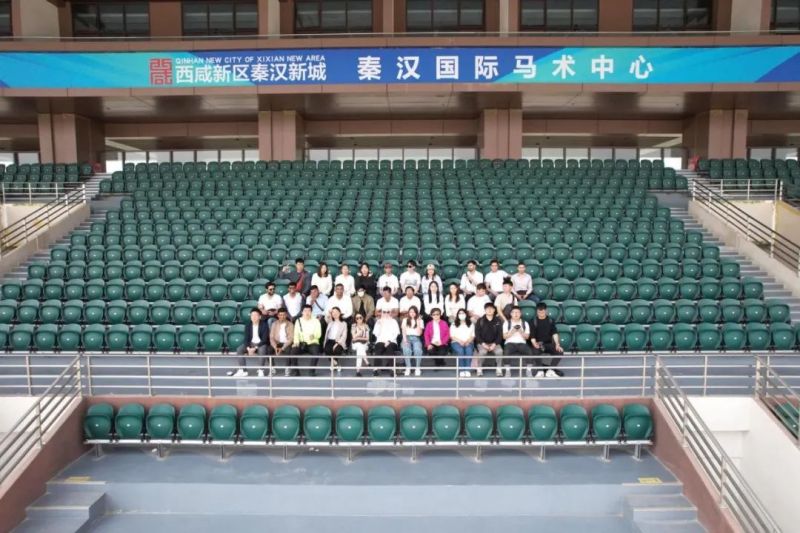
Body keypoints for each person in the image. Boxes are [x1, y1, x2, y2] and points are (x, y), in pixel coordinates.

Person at [228, 308, 270, 377]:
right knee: (239, 349)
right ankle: (243, 370)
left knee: (263, 349)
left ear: (260, 317)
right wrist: (248, 348)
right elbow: (246, 338)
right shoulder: (248, 325)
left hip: (260, 344)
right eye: (252, 315)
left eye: (256, 315)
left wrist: (255, 348)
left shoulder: (264, 325)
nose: (254, 317)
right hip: (251, 343)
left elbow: (264, 339)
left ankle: (261, 370)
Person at [530, 302, 565, 378]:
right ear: (537, 311)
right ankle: (540, 371)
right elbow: (532, 336)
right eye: (539, 312)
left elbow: (554, 333)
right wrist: (534, 344)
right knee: (534, 351)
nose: (541, 314)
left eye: (542, 312)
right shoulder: (533, 321)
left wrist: (557, 344)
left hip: (548, 344)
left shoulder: (550, 320)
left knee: (559, 351)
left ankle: (550, 370)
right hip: (538, 344)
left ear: (546, 311)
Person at [291, 305, 322, 376]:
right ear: (302, 312)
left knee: (316, 353)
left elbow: (319, 333)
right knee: (293, 352)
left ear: (311, 312)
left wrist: (314, 336)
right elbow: (296, 333)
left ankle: (311, 371)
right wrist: (296, 342)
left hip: (313, 342)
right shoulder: (298, 321)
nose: (307, 312)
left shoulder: (316, 321)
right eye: (305, 311)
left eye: (309, 311)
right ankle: (296, 371)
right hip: (301, 343)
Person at [474, 302, 504, 377]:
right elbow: (477, 334)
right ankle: (479, 368)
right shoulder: (480, 320)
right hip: (482, 343)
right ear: (485, 310)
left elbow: (500, 334)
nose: (490, 310)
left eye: (491, 308)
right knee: (482, 352)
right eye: (488, 309)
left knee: (499, 351)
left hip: (495, 343)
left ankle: (499, 368)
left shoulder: (498, 320)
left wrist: (494, 344)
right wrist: (483, 344)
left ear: (494, 310)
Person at [503, 306, 532, 377]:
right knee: (506, 352)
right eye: (514, 312)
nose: (516, 314)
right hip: (510, 343)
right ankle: (507, 371)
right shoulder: (507, 323)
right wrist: (512, 331)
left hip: (521, 343)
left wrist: (521, 331)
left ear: (520, 314)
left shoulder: (525, 323)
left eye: (518, 312)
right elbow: (504, 337)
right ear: (511, 314)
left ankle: (529, 370)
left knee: (529, 352)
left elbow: (527, 337)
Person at [372, 310, 400, 376]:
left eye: (388, 312)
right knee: (378, 349)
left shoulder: (394, 321)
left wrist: (389, 341)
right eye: (384, 312)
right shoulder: (378, 322)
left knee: (390, 349)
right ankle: (375, 369)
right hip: (380, 340)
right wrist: (380, 325)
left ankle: (393, 370)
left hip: (392, 341)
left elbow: (396, 334)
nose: (386, 314)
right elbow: (376, 334)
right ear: (382, 313)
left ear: (390, 313)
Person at [269, 308, 295, 377]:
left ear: (286, 315)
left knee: (289, 350)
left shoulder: (290, 324)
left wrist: (282, 348)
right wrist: (275, 347)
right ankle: (272, 367)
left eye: (284, 315)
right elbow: (271, 337)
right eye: (280, 315)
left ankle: (287, 368)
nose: (282, 316)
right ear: (278, 315)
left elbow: (291, 338)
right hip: (277, 343)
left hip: (286, 343)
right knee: (268, 350)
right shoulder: (274, 324)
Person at [450, 311, 475, 377]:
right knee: (460, 351)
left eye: (463, 313)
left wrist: (468, 341)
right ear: (457, 315)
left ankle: (467, 370)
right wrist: (460, 341)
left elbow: (473, 335)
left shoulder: (471, 324)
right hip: (456, 342)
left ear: (466, 314)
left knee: (469, 350)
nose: (461, 315)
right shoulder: (453, 324)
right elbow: (452, 336)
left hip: (468, 341)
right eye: (460, 313)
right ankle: (461, 370)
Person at [400, 306, 424, 376]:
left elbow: (419, 333)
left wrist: (418, 322)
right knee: (406, 349)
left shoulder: (420, 321)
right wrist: (405, 340)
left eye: (414, 312)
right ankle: (408, 367)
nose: (412, 313)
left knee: (418, 350)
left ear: (416, 313)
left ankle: (417, 368)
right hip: (406, 337)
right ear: (408, 313)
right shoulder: (405, 320)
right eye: (410, 312)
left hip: (416, 338)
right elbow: (403, 331)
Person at [322, 307, 347, 372]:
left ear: (340, 313)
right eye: (333, 312)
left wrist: (337, 343)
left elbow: (344, 335)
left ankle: (332, 365)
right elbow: (326, 318)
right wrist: (329, 313)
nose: (335, 313)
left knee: (337, 350)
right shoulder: (330, 322)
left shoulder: (343, 323)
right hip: (330, 340)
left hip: (338, 341)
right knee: (327, 350)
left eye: (336, 312)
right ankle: (336, 364)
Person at [351, 312, 371, 377]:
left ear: (363, 318)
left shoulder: (366, 326)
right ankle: (367, 361)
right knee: (359, 346)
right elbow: (353, 337)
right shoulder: (354, 326)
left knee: (359, 351)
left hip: (364, 344)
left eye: (360, 317)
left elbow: (367, 338)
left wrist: (358, 338)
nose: (359, 319)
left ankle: (358, 371)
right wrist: (360, 332)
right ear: (355, 319)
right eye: (357, 318)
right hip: (355, 344)